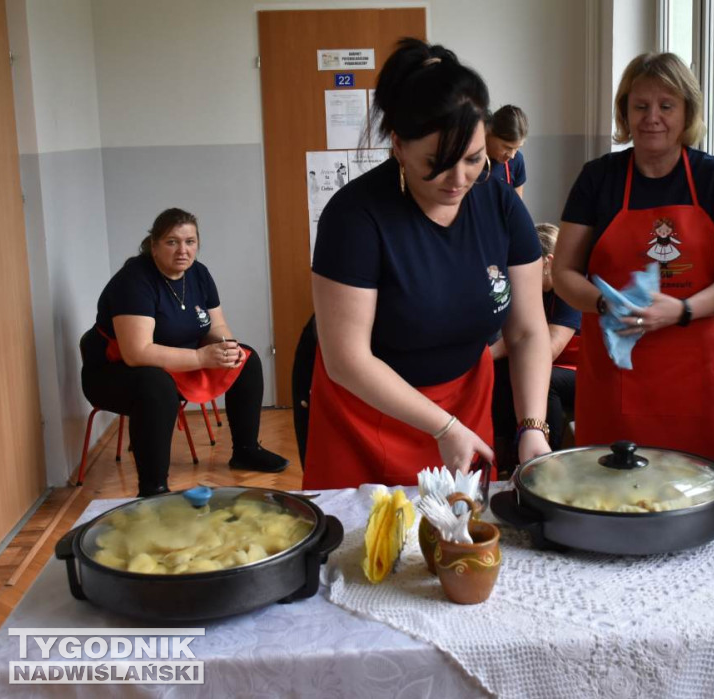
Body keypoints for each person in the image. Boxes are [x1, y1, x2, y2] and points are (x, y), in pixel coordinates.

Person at [304, 38, 552, 490]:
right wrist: (441, 426)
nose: (459, 180)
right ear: (398, 145)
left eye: (474, 159)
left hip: (464, 408)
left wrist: (532, 426)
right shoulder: (355, 217)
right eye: (436, 165)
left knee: (461, 545)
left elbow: (527, 330)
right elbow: (346, 359)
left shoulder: (500, 204)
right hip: (368, 414)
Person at [553, 52, 714, 467]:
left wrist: (682, 309)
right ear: (625, 112)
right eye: (640, 106)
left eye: (666, 106)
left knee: (696, 485)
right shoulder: (599, 178)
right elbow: (562, 273)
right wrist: (604, 303)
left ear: (687, 112)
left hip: (699, 371)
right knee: (611, 487)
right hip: (617, 369)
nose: (652, 118)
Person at [81, 208, 288, 497]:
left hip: (176, 361)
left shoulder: (199, 274)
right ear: (153, 246)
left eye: (190, 242)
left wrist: (227, 347)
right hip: (115, 373)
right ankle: (153, 486)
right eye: (172, 242)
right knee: (156, 385)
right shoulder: (134, 280)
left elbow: (217, 327)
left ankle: (246, 450)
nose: (183, 250)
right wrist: (203, 358)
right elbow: (136, 354)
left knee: (246, 359)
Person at [491, 223, 580, 473]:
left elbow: (548, 349)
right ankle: (506, 455)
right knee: (501, 372)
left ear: (547, 262)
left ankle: (549, 460)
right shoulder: (536, 291)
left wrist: (486, 355)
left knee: (543, 379)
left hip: (580, 371)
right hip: (555, 366)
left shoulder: (568, 287)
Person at [485, 105, 528, 197]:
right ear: (489, 133)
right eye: (508, 148)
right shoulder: (472, 161)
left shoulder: (517, 161)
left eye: (517, 148)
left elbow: (516, 207)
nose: (512, 155)